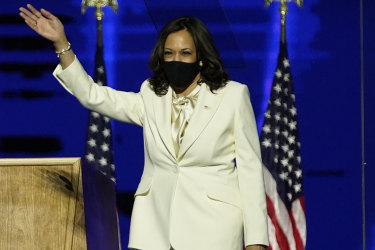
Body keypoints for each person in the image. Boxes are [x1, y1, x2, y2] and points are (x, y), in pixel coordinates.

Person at [19, 4, 269, 250]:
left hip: (214, 230)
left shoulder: (233, 96)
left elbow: (250, 170)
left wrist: (256, 240)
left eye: (185, 53)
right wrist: (61, 44)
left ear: (201, 59)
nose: (176, 60)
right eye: (169, 53)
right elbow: (92, 96)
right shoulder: (151, 94)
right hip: (154, 229)